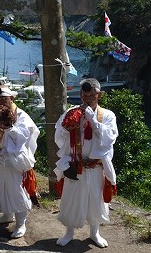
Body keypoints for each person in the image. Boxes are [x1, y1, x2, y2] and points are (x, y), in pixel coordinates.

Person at [53, 78, 118, 248]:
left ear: (99, 95)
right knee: (72, 198)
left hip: (95, 167)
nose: (88, 99)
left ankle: (94, 233)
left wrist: (94, 123)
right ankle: (69, 232)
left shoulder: (107, 115)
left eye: (92, 96)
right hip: (76, 165)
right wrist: (67, 128)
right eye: (84, 95)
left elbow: (110, 139)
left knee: (95, 200)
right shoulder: (72, 112)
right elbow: (59, 138)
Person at [0, 85, 40, 239]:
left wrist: (9, 127)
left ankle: (21, 224)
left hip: (13, 161)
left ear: (11, 98)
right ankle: (7, 215)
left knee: (16, 190)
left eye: (4, 99)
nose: (0, 102)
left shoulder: (21, 115)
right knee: (0, 187)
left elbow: (24, 136)